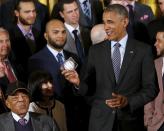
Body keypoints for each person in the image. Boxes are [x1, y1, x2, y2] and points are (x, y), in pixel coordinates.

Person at [62, 4, 159, 131]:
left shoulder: (143, 51)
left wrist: (129, 101)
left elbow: (152, 88)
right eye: (104, 22)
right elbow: (87, 89)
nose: (106, 27)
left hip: (130, 123)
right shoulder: (95, 51)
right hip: (100, 123)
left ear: (125, 22)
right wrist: (78, 82)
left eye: (110, 22)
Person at [28, 19, 90, 131]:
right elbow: (35, 92)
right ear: (46, 36)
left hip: (76, 118)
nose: (61, 35)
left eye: (63, 32)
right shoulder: (35, 61)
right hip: (50, 116)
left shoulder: (74, 57)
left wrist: (77, 84)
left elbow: (82, 88)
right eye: (55, 32)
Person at [8, 0, 46, 83]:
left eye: (34, 11)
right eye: (27, 12)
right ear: (16, 13)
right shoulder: (9, 37)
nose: (32, 15)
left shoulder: (39, 34)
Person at [144, 31, 164, 131]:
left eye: (159, 41)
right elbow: (149, 94)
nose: (155, 44)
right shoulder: (154, 65)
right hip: (157, 124)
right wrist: (148, 121)